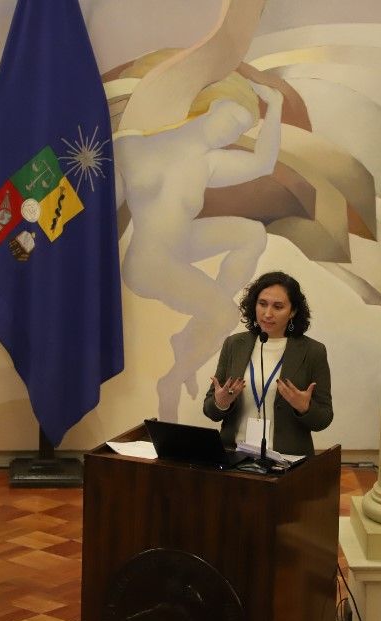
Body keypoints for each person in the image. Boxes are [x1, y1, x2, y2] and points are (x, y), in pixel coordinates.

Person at [116, 77, 283, 422]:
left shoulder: (206, 161)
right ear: (210, 105)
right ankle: (171, 380)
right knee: (224, 315)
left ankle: (197, 329)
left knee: (252, 234)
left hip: (180, 245)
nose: (233, 135)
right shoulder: (136, 143)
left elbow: (263, 164)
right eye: (233, 122)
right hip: (150, 263)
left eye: (241, 130)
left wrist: (276, 104)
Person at [203, 271, 332, 457]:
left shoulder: (313, 351)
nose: (268, 313)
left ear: (293, 311)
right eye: (262, 304)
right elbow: (210, 410)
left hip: (287, 461)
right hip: (235, 456)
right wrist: (221, 403)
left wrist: (304, 408)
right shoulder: (234, 344)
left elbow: (323, 419)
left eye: (278, 307)